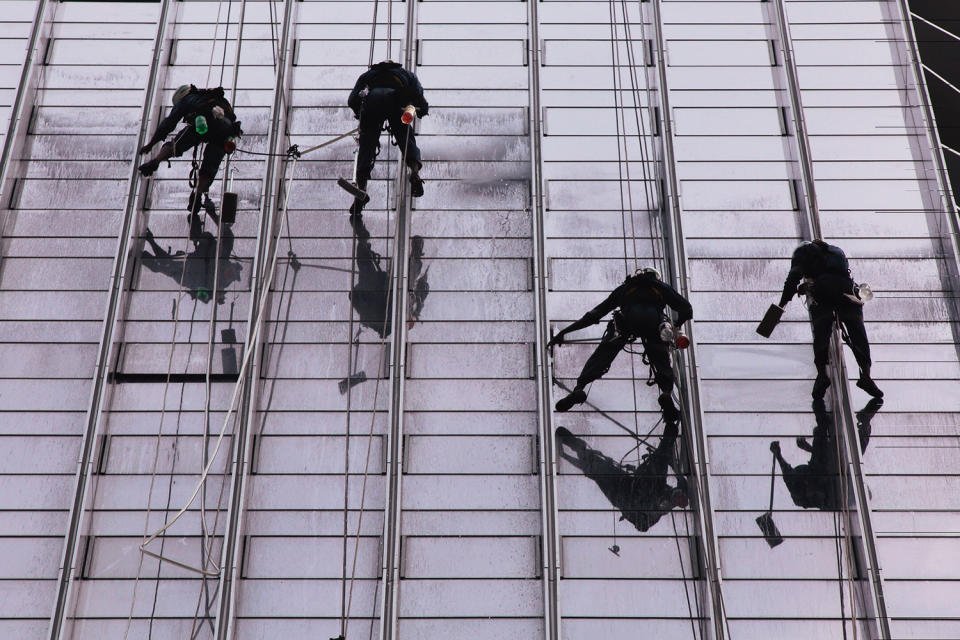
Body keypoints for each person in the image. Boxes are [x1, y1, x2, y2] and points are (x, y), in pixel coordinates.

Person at [548, 267, 692, 422]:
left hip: (626, 323)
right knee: (661, 360)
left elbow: (594, 314)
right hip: (653, 324)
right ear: (656, 277)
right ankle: (666, 394)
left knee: (602, 355)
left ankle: (580, 388)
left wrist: (564, 332)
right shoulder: (660, 287)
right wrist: (677, 325)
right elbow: (686, 309)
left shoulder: (626, 288)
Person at [776, 240, 882, 400]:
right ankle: (866, 376)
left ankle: (822, 375)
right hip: (848, 291)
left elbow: (792, 280)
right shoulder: (836, 251)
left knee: (822, 331)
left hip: (823, 290)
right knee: (858, 333)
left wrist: (781, 305)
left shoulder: (802, 252)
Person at [556, 422, 688, 533]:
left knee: (595, 467)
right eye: (679, 495)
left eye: (677, 499)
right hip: (625, 486)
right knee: (595, 466)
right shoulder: (659, 487)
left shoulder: (659, 505)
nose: (676, 497)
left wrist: (630, 511)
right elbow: (663, 457)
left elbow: (643, 525)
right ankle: (570, 443)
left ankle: (570, 444)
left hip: (622, 491)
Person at [137, 84, 242, 219]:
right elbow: (232, 120)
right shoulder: (217, 99)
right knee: (209, 167)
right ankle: (197, 194)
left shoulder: (186, 100)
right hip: (225, 132)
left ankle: (156, 161)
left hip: (202, 122)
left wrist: (151, 144)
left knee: (177, 144)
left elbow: (168, 124)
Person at [769, 397, 882, 511]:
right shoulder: (831, 496)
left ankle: (823, 412)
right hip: (831, 472)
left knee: (827, 439)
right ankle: (862, 421)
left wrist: (779, 454)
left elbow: (790, 472)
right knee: (852, 452)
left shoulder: (801, 492)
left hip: (825, 469)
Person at [344, 60, 428, 204]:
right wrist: (422, 110)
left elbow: (352, 100)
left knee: (367, 145)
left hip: (372, 105)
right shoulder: (407, 75)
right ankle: (415, 173)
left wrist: (360, 114)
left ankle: (361, 187)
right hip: (397, 105)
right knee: (406, 138)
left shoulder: (368, 75)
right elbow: (418, 96)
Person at [348, 211, 429, 338]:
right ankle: (415, 256)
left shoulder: (374, 314)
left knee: (370, 268)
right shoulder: (373, 311)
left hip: (382, 293)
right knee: (404, 278)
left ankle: (415, 256)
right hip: (384, 293)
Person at [140, 213, 242, 305]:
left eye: (231, 276)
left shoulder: (218, 284)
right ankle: (149, 245)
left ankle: (147, 251)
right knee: (166, 264)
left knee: (165, 266)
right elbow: (227, 236)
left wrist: (209, 296)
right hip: (190, 264)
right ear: (232, 265)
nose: (229, 274)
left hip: (186, 276)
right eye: (232, 272)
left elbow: (201, 293)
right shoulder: (223, 256)